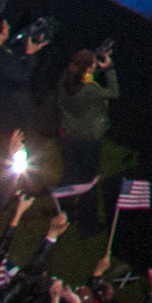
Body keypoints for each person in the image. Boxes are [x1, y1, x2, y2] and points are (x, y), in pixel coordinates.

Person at [54, 42, 118, 192]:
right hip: (88, 137)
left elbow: (81, 78)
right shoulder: (90, 90)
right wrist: (109, 69)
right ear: (88, 69)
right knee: (89, 176)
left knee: (71, 171)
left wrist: (92, 65)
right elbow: (114, 92)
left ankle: (65, 202)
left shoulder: (65, 79)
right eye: (93, 65)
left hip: (68, 134)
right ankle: (87, 205)